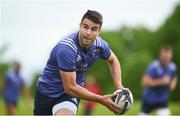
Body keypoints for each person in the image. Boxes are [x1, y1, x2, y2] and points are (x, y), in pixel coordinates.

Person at [34, 10, 124, 115]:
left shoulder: (100, 45)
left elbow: (113, 60)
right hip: (46, 94)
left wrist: (119, 86)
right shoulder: (66, 49)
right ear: (80, 26)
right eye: (85, 27)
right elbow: (70, 87)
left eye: (94, 29)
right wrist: (101, 99)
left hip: (68, 96)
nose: (88, 33)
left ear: (99, 31)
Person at [140, 45, 178, 116]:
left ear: (171, 56)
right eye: (164, 55)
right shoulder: (154, 66)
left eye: (168, 55)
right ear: (160, 55)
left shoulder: (173, 67)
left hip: (162, 102)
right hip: (149, 100)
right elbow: (144, 82)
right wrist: (161, 82)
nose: (166, 57)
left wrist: (172, 84)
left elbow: (174, 77)